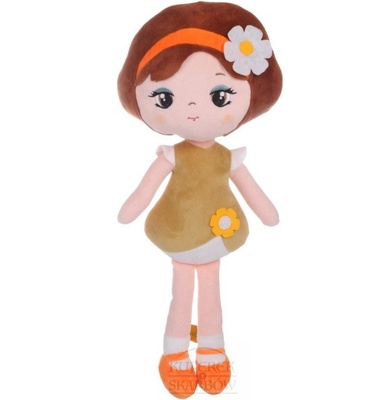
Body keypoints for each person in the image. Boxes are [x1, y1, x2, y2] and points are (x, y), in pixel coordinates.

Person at [117, 2, 282, 398]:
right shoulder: (172, 155)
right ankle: (175, 351)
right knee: (183, 291)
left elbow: (256, 196)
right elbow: (143, 192)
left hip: (217, 237)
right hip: (177, 236)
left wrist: (268, 214)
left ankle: (211, 348)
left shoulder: (227, 158)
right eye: (165, 98)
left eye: (220, 96)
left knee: (209, 290)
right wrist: (130, 210)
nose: (192, 110)